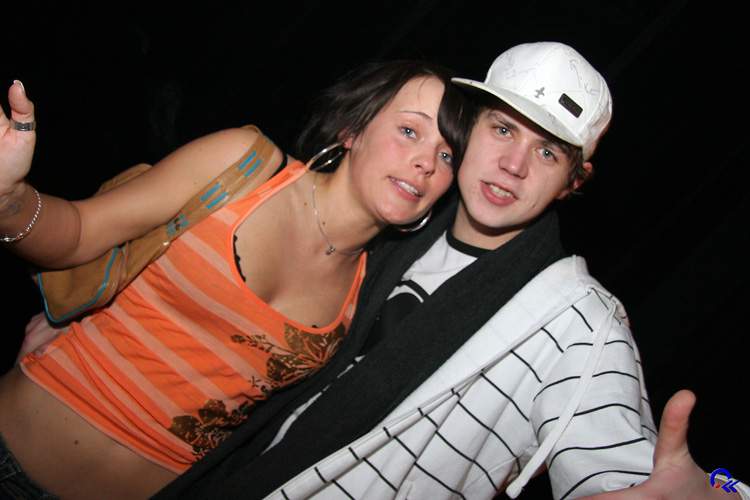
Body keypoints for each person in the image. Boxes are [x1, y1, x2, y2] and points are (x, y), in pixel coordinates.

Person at [153, 42, 749, 499]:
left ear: (574, 182)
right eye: (502, 129)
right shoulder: (394, 225)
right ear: (469, 132)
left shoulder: (579, 324)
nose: (513, 164)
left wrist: (726, 490)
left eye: (547, 152)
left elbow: (624, 469)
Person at [0, 60, 474, 499]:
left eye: (448, 155)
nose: (426, 163)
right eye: (409, 131)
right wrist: (9, 200)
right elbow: (78, 233)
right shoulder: (244, 167)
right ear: (353, 130)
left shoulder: (368, 293)